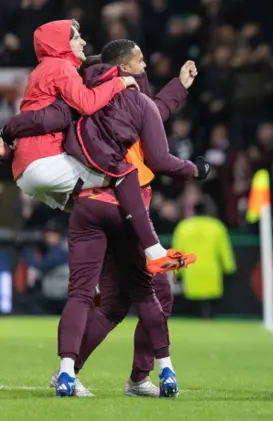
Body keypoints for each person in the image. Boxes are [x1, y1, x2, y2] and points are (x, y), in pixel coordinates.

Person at [6, 41, 204, 397]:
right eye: (140, 62)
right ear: (123, 69)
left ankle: (71, 369)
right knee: (155, 293)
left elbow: (48, 119)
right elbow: (153, 131)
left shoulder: (87, 98)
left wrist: (10, 132)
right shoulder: (128, 100)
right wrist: (195, 169)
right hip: (125, 205)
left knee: (108, 301)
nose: (144, 69)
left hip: (90, 205)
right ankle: (142, 376)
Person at [4, 22, 188, 274]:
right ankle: (154, 253)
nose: (82, 41)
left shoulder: (44, 71)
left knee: (92, 207)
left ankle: (95, 279)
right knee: (124, 174)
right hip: (44, 162)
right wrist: (119, 84)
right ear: (60, 44)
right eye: (76, 37)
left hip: (26, 172)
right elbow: (87, 104)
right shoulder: (60, 67)